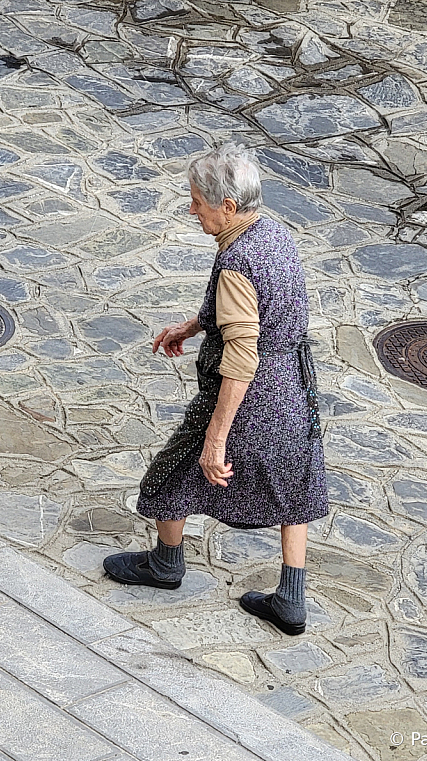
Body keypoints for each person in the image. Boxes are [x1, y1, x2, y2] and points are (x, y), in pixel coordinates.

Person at [103, 143, 329, 636]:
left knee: (169, 474)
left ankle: (165, 564)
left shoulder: (236, 261)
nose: (191, 209)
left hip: (247, 396)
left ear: (227, 207)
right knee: (295, 482)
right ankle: (291, 598)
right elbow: (254, 312)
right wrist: (192, 326)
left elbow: (242, 356)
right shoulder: (272, 232)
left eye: (197, 202)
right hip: (292, 387)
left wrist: (216, 437)